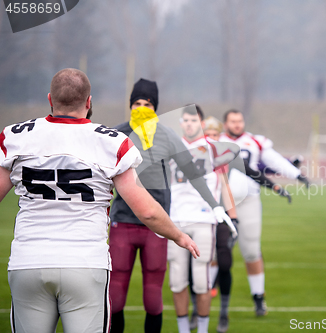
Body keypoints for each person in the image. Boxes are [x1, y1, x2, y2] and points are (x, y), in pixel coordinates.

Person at [0, 68, 199, 333]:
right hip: (84, 262)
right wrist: (178, 235)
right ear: (89, 102)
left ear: (50, 99)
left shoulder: (15, 136)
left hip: (28, 260)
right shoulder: (111, 142)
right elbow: (147, 212)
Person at [108, 79, 232, 333]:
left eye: (147, 103)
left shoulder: (167, 136)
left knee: (153, 297)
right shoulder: (117, 133)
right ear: (130, 105)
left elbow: (193, 173)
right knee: (116, 295)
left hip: (158, 225)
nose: (142, 107)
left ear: (156, 107)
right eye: (137, 103)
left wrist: (215, 204)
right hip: (124, 221)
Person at [191, 116, 292, 332]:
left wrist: (275, 188)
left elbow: (250, 173)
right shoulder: (190, 154)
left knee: (227, 259)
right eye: (208, 134)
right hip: (198, 214)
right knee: (201, 261)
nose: (212, 139)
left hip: (224, 212)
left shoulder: (225, 154)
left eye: (215, 135)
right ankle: (198, 306)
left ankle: (227, 310)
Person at [219, 109, 310, 317]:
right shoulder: (215, 140)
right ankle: (205, 295)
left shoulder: (255, 141)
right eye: (233, 121)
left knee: (251, 251)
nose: (237, 124)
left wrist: (297, 174)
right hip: (220, 203)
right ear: (225, 123)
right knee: (216, 251)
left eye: (240, 120)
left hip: (249, 200)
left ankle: (258, 297)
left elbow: (275, 161)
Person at [167, 106, 238, 333]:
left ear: (201, 123)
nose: (189, 124)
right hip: (175, 221)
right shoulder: (170, 147)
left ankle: (204, 329)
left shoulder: (214, 150)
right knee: (177, 280)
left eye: (194, 120)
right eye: (186, 120)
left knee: (202, 281)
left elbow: (224, 181)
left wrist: (230, 215)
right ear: (181, 122)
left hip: (204, 219)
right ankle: (184, 330)